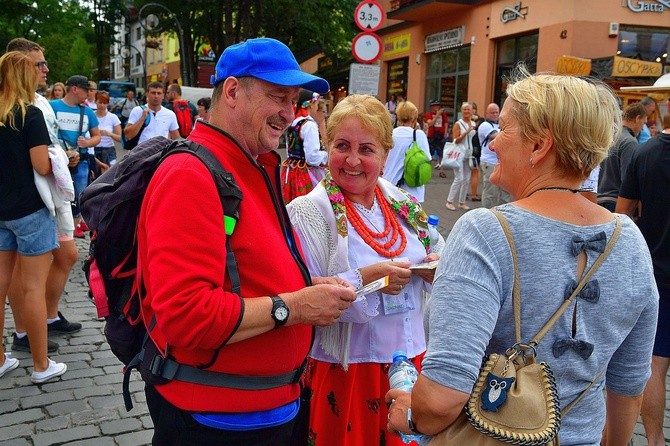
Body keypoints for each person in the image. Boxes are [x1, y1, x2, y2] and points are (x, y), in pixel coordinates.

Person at [386, 69, 658, 446]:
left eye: (505, 128)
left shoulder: (484, 231)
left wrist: (409, 413)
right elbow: (628, 386)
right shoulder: (630, 240)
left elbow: (441, 398)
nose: (494, 142)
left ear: (539, 146)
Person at [137, 37, 356, 445]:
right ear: (234, 91)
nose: (289, 114)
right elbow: (187, 316)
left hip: (262, 409)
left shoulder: (250, 162)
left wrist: (306, 291)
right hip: (216, 420)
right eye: (278, 97)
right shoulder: (191, 174)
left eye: (294, 102)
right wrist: (295, 306)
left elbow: (253, 271)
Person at [287, 94, 444, 446]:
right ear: (327, 147)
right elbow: (304, 294)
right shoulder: (309, 212)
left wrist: (436, 268)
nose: (353, 160)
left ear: (386, 156)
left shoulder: (403, 203)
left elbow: (436, 248)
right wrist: (370, 279)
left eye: (367, 149)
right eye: (342, 146)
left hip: (413, 361)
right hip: (350, 371)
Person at [5, 38, 81, 356]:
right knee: (27, 270)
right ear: (21, 65)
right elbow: (37, 159)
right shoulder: (21, 105)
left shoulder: (39, 101)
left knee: (63, 257)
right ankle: (28, 333)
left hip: (44, 192)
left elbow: (48, 143)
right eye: (39, 64)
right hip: (33, 196)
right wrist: (58, 161)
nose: (46, 69)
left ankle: (43, 319)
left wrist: (63, 155)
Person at [0, 51, 67, 383]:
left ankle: (0, 359)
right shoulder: (30, 114)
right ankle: (41, 365)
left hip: (1, 209)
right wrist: (59, 157)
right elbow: (41, 165)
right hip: (30, 208)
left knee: (0, 287)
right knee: (33, 288)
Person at [617, 113, 670, 446]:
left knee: (655, 363)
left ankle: (654, 440)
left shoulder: (644, 152)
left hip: (658, 274)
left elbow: (620, 215)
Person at [50, 74, 101, 237]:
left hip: (81, 161)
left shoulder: (87, 112)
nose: (89, 94)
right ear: (75, 89)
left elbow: (97, 136)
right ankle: (56, 230)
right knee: (54, 195)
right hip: (56, 160)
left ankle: (69, 233)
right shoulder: (52, 106)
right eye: (86, 90)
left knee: (78, 195)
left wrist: (87, 143)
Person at [280, 89, 328, 203]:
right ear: (310, 105)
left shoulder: (294, 123)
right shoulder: (309, 125)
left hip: (291, 171)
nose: (317, 107)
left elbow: (289, 150)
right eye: (316, 104)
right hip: (305, 174)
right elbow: (312, 158)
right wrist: (327, 155)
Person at [597, 102, 646, 212]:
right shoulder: (629, 142)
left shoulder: (607, 136)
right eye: (643, 123)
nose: (642, 128)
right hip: (616, 202)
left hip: (598, 198)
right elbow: (628, 180)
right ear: (638, 118)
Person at [382, 99, 431, 202]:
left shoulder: (390, 134)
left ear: (398, 117)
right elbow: (426, 159)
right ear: (414, 119)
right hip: (411, 190)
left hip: (388, 186)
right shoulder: (418, 135)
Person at [479, 102, 511, 208]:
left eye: (497, 112)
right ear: (486, 113)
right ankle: (486, 214)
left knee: (505, 192)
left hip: (502, 162)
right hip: (489, 162)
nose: (495, 114)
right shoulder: (484, 125)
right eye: (492, 112)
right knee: (490, 191)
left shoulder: (499, 125)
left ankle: (503, 215)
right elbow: (496, 137)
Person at [446, 102, 476, 211]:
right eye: (465, 109)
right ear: (462, 111)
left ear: (472, 111)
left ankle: (462, 202)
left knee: (467, 179)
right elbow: (455, 140)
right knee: (459, 178)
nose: (467, 111)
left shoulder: (473, 123)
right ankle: (449, 201)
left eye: (469, 109)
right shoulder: (458, 124)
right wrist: (466, 132)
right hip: (459, 154)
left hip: (469, 154)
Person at [93, 91, 122, 175]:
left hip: (109, 149)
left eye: (105, 103)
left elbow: (120, 138)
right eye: (100, 102)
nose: (102, 105)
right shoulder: (91, 115)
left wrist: (109, 134)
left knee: (109, 175)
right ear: (95, 102)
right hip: (95, 149)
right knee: (95, 175)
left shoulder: (113, 117)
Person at [425, 99, 448, 176]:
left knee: (441, 153)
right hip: (431, 135)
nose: (436, 107)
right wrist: (437, 115)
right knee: (430, 153)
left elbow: (445, 124)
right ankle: (429, 171)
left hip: (440, 135)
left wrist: (445, 133)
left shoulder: (443, 115)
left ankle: (441, 170)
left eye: (438, 105)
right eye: (435, 105)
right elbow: (430, 123)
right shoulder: (429, 114)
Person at [469, 101, 482, 201]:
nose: (472, 110)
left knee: (474, 171)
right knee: (474, 172)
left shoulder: (479, 120)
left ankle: (473, 192)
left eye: (473, 108)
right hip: (471, 149)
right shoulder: (466, 121)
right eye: (470, 108)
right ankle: (473, 194)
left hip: (476, 147)